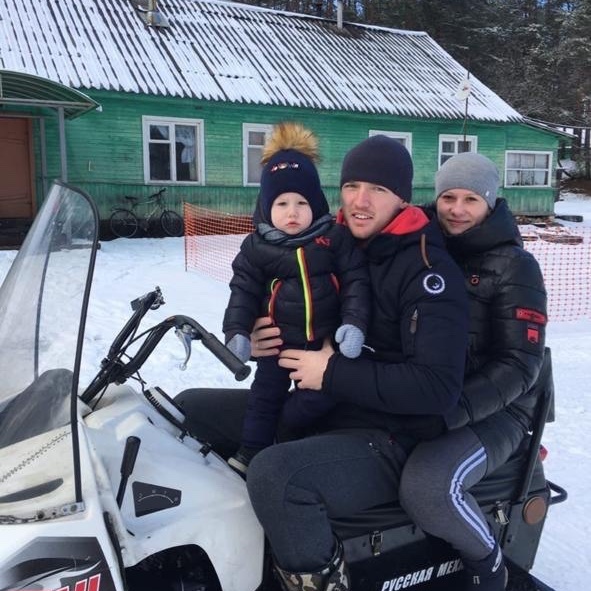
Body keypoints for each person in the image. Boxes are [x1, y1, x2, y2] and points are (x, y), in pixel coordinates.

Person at [242, 135, 469, 591]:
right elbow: (264, 277)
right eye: (352, 186)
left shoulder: (428, 270)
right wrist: (256, 330)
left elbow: (437, 388)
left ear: (402, 198)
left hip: (390, 433)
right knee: (193, 411)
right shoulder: (329, 240)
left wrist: (332, 373)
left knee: (275, 477)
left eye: (378, 189)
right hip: (324, 407)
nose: (360, 201)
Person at [398, 152, 548, 591]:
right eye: (448, 197)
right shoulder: (422, 247)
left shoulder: (516, 267)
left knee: (428, 484)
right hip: (430, 390)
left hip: (498, 409)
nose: (457, 210)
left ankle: (489, 563)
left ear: (490, 202)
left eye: (470, 199)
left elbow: (520, 364)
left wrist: (450, 412)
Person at [222, 122, 370, 474]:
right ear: (266, 207)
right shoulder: (257, 247)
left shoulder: (333, 239)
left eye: (302, 202)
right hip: (277, 345)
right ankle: (250, 453)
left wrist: (353, 323)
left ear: (315, 203)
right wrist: (237, 332)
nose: (292, 212)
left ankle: (291, 443)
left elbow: (356, 282)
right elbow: (242, 291)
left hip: (322, 343)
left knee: (317, 398)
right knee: (263, 399)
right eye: (282, 203)